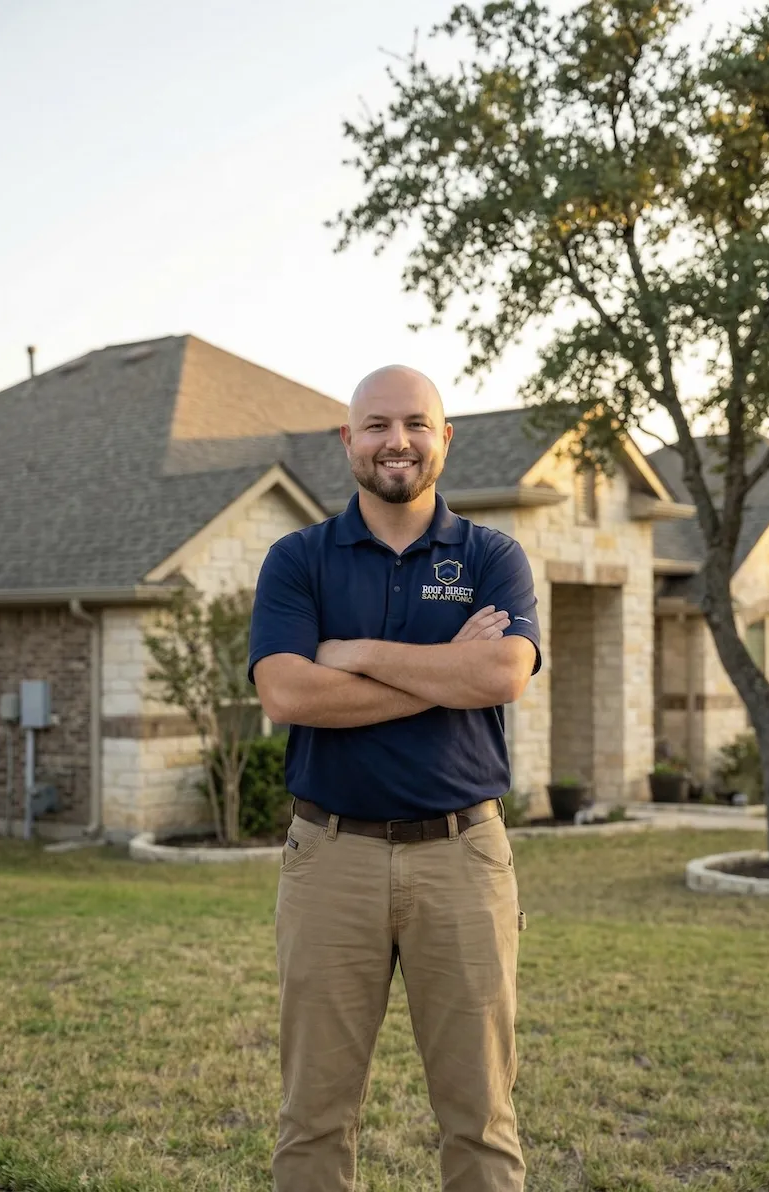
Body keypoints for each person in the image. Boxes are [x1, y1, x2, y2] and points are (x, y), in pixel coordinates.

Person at [248, 364, 541, 1192]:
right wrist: (445, 667)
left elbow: (500, 677)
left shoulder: (492, 556)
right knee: (314, 1114)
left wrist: (362, 657)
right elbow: (286, 691)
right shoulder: (298, 559)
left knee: (481, 1116)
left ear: (445, 438)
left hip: (463, 856)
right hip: (330, 856)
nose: (397, 441)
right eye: (376, 425)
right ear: (348, 441)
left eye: (416, 423)